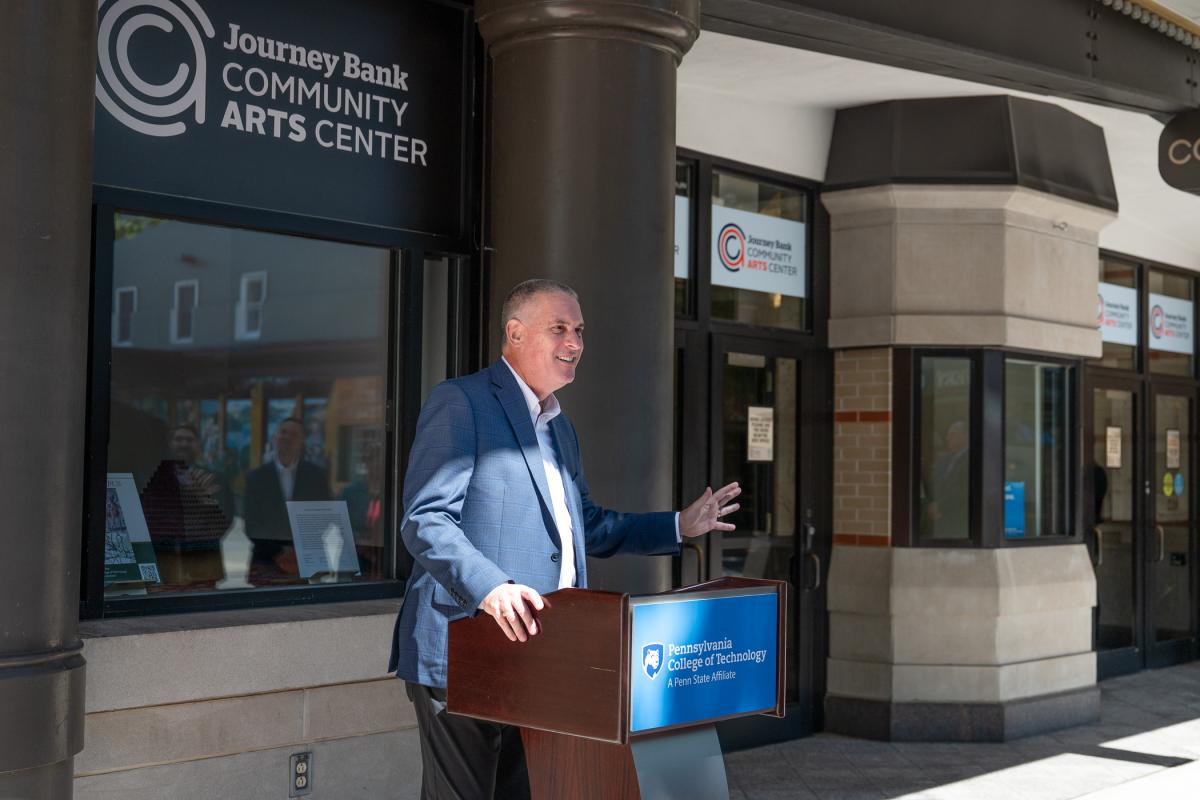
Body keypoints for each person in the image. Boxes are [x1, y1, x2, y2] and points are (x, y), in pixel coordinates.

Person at [389, 279, 741, 799]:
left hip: (540, 656)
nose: (574, 342)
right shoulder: (462, 402)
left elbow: (587, 526)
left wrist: (676, 526)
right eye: (559, 328)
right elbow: (426, 519)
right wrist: (492, 587)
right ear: (514, 333)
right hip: (464, 647)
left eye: (578, 330)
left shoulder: (560, 428)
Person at [242, 416, 331, 581]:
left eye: (294, 434)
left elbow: (324, 518)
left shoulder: (317, 476)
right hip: (266, 560)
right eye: (283, 432)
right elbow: (252, 524)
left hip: (305, 561)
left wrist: (297, 552)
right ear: (275, 437)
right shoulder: (255, 478)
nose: (288, 437)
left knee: (308, 607)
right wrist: (281, 553)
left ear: (302, 441)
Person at [925, 420, 969, 538]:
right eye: (948, 434)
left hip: (957, 516)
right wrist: (932, 503)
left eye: (953, 434)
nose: (948, 438)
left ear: (965, 436)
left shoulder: (970, 459)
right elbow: (934, 482)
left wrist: (940, 506)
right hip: (937, 517)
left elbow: (963, 489)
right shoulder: (943, 459)